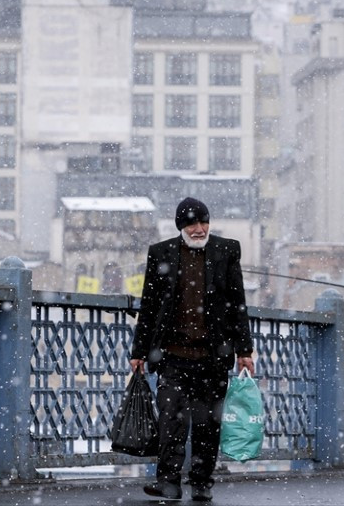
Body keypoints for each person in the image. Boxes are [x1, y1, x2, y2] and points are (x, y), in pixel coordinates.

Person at [130, 197, 255, 503]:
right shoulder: (161, 253)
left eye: (203, 222)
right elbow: (149, 306)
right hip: (172, 356)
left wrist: (244, 350)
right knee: (171, 422)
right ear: (180, 227)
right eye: (192, 224)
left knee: (207, 424)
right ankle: (168, 483)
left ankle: (201, 483)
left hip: (212, 357)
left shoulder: (227, 250)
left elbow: (237, 303)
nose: (199, 229)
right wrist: (139, 351)